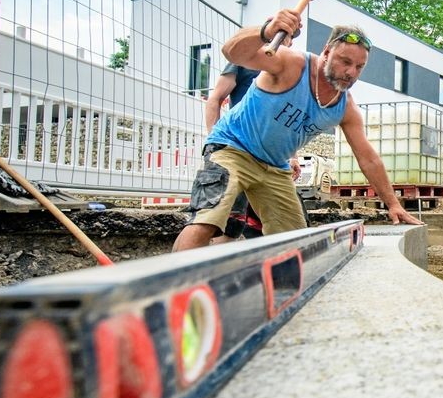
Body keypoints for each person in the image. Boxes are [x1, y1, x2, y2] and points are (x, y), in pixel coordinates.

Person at [173, 13, 422, 251]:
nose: (351, 72)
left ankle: (285, 288)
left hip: (274, 166)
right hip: (233, 148)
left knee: (296, 240)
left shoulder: (345, 107)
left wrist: (393, 204)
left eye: (359, 67)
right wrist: (265, 32)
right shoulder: (291, 63)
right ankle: (171, 289)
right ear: (326, 52)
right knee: (206, 220)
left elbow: (368, 157)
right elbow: (232, 51)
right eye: (345, 62)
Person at [204, 62, 299, 242]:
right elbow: (215, 98)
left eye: (292, 37)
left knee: (283, 223)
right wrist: (216, 142)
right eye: (286, 34)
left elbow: (287, 118)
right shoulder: (243, 63)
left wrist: (293, 155)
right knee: (229, 221)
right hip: (239, 150)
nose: (289, 40)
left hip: (272, 157)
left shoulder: (289, 68)